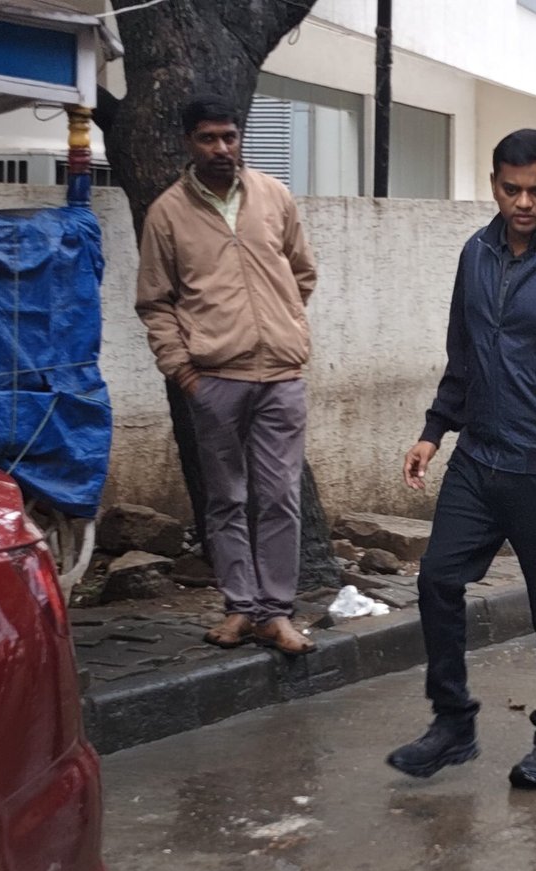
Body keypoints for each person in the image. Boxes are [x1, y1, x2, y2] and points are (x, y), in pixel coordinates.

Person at [388, 129, 536, 789]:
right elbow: (462, 357)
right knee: (437, 579)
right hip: (479, 459)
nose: (524, 202)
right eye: (510, 189)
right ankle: (453, 723)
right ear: (493, 183)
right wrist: (434, 431)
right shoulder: (475, 254)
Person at [135, 95, 317, 655]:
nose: (221, 149)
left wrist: (282, 325)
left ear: (241, 138)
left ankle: (276, 613)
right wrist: (184, 371)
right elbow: (155, 303)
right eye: (208, 139)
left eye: (229, 137)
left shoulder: (273, 196)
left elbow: (302, 273)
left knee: (281, 495)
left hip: (281, 377)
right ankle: (241, 607)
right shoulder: (167, 213)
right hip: (214, 381)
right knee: (226, 499)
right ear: (190, 142)